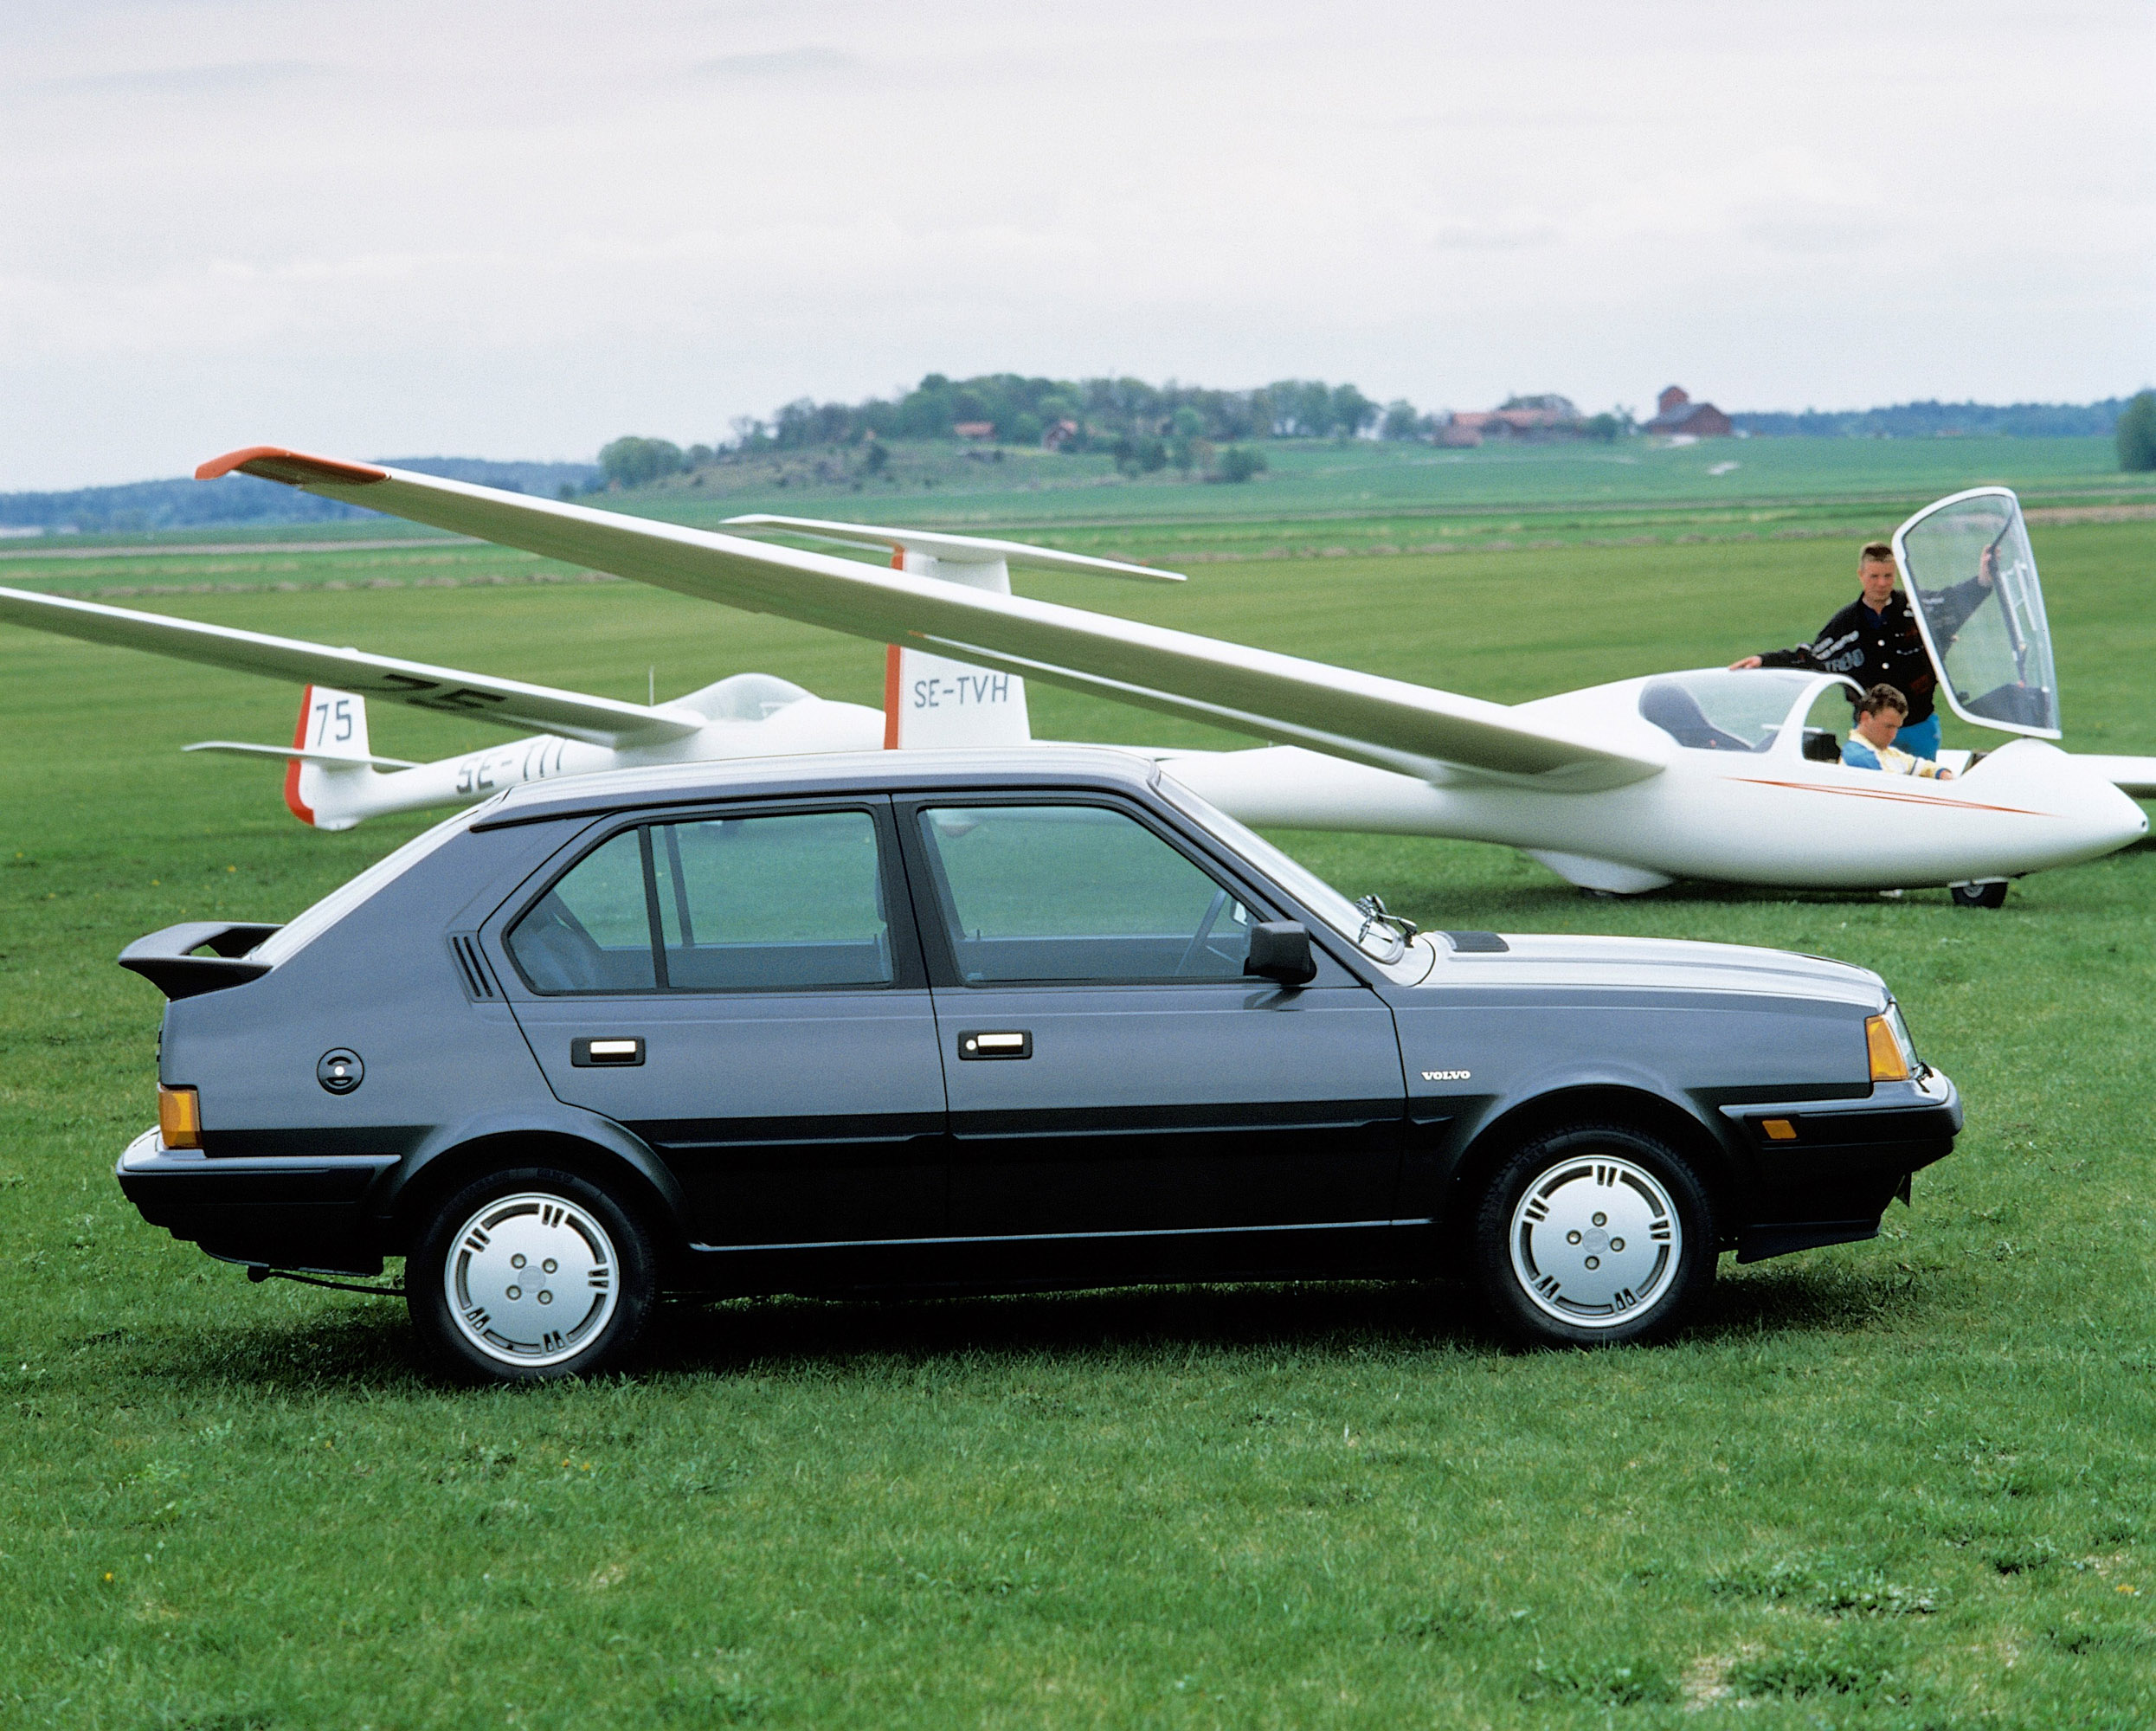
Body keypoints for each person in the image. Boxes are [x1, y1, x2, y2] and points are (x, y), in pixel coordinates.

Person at [1728, 538, 1995, 763]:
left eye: (1888, 576)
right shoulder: (1845, 624)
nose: (1881, 583)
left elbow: (1955, 600)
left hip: (1920, 727)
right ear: (1861, 575)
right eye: (1874, 576)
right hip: (1869, 733)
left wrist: (1984, 578)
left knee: (1921, 787)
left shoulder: (1919, 608)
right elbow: (1811, 657)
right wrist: (1763, 660)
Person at [1839, 685, 1953, 779]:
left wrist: (1942, 773)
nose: (1893, 735)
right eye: (1888, 726)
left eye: (1896, 728)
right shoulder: (1858, 757)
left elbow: (1919, 765)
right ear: (1866, 718)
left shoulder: (1885, 752)